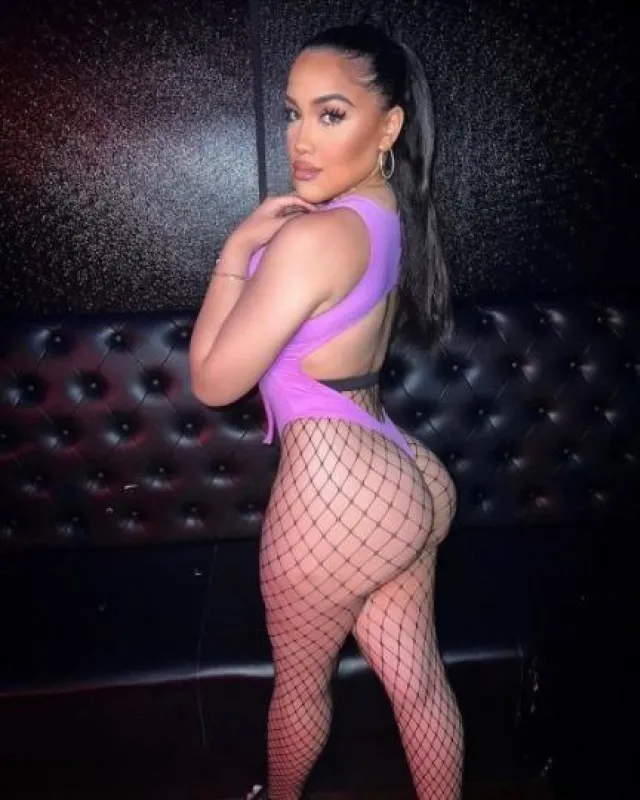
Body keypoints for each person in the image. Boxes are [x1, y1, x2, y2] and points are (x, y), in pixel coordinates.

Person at [189, 22, 463, 800]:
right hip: (405, 472)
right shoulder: (386, 213)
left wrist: (235, 252)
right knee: (418, 685)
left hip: (335, 495)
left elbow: (211, 382)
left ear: (389, 126)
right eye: (293, 112)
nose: (301, 139)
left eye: (331, 113)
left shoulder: (314, 239)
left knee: (300, 691)